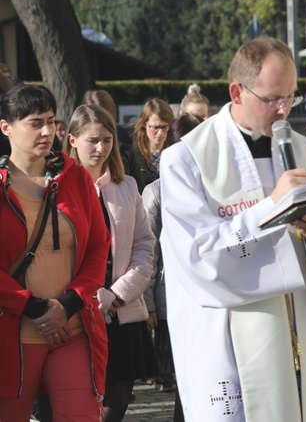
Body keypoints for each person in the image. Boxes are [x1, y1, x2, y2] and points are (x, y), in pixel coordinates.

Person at [159, 37, 306, 421]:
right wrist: (270, 209)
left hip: (305, 332)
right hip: (230, 340)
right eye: (271, 100)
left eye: (291, 97)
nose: (283, 110)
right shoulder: (185, 160)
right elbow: (197, 256)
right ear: (237, 91)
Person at [0, 84, 110, 421]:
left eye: (51, 120)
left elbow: (98, 247)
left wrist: (69, 303)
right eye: (35, 123)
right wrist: (33, 307)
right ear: (6, 127)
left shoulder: (74, 177)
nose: (48, 131)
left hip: (73, 328)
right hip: (13, 335)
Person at [65, 104, 157, 421]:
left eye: (107, 140)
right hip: (76, 309)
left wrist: (117, 293)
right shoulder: (56, 189)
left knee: (119, 392)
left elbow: (144, 245)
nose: (101, 148)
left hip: (121, 309)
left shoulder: (127, 186)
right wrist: (87, 296)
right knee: (79, 391)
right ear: (72, 140)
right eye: (93, 140)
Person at [142, 113, 204, 421]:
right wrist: (149, 303)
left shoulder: (214, 185)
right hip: (172, 295)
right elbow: (148, 251)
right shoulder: (156, 192)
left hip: (209, 293)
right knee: (183, 379)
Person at [130, 98, 174, 193]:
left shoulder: (174, 150)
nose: (160, 133)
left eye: (164, 127)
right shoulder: (134, 154)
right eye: (155, 127)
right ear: (144, 125)